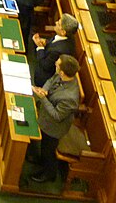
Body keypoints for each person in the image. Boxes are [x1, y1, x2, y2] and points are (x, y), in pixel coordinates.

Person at [30, 55, 81, 184]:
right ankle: (40, 161)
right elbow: (51, 80)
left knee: (49, 151)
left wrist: (42, 98)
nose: (55, 65)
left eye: (57, 64)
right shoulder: (62, 75)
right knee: (44, 147)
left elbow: (57, 116)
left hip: (54, 128)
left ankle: (49, 174)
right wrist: (45, 90)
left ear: (62, 71)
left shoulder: (70, 98)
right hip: (45, 116)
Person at [32, 14, 78, 87]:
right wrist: (46, 42)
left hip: (44, 78)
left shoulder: (59, 50)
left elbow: (45, 65)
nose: (56, 22)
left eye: (59, 24)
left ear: (63, 32)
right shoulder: (66, 36)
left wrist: (40, 47)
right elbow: (54, 42)